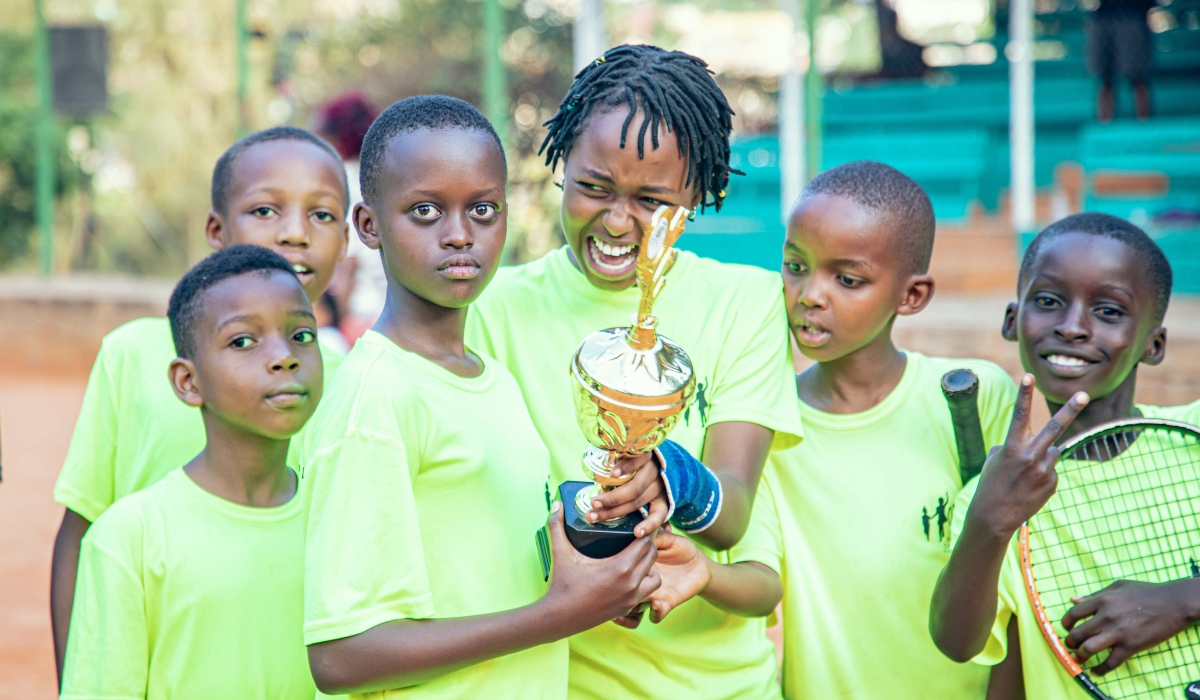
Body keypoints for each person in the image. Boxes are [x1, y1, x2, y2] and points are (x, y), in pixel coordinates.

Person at [466, 44, 805, 699]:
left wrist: (665, 476)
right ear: (561, 166)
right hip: (560, 681)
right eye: (594, 188)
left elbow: (731, 513)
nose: (618, 221)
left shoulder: (748, 303)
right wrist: (588, 563)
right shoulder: (491, 309)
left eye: (652, 200)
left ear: (699, 194)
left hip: (720, 687)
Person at [299, 95, 664, 699]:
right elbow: (342, 655)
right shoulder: (375, 396)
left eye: (483, 209)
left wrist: (600, 582)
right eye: (424, 211)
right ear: (368, 227)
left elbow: (492, 572)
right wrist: (558, 614)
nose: (460, 235)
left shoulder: (493, 379)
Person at [659, 160, 1014, 699]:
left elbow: (1022, 575)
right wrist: (704, 574)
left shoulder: (972, 397)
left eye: (847, 279)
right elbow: (762, 582)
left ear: (912, 296)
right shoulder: (767, 425)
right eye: (795, 266)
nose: (810, 294)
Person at [49, 125, 351, 681]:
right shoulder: (132, 353)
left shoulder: (352, 382)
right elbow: (81, 532)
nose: (295, 233)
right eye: (266, 211)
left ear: (348, 239)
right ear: (217, 228)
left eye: (323, 215)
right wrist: (83, 673)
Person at [930, 213, 1197, 699]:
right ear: (1013, 321)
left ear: (1154, 344)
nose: (1072, 327)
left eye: (1109, 311)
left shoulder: (1194, 437)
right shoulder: (999, 495)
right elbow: (958, 642)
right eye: (1049, 301)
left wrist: (1183, 599)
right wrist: (989, 520)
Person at [60, 245, 323, 699]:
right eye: (242, 341)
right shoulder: (131, 537)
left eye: (301, 335)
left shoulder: (339, 517)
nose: (284, 356)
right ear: (188, 382)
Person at [1088, 0, 1155, 122]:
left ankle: (1144, 125)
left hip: (1132, 15)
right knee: (1105, 78)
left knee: (1138, 77)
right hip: (1105, 16)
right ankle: (1105, 126)